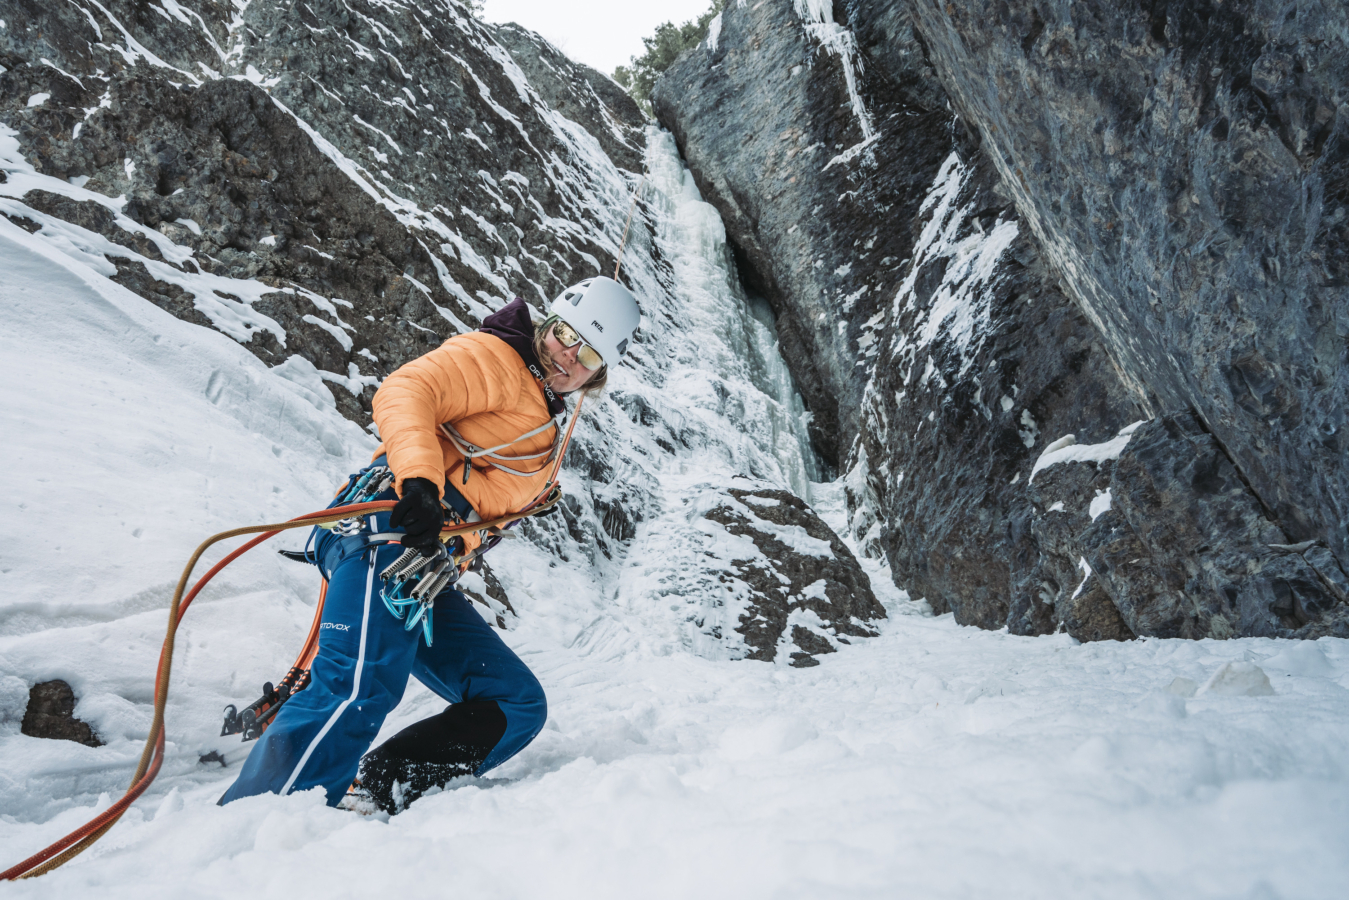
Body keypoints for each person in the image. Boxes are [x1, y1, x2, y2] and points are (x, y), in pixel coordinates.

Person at [219, 277, 641, 814]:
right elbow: (405, 391)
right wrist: (419, 479)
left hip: (419, 570)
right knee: (356, 687)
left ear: (598, 373)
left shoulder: (540, 410)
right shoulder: (495, 358)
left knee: (515, 704)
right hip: (384, 532)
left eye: (587, 355)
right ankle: (251, 833)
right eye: (564, 335)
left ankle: (378, 787)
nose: (568, 356)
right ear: (547, 324)